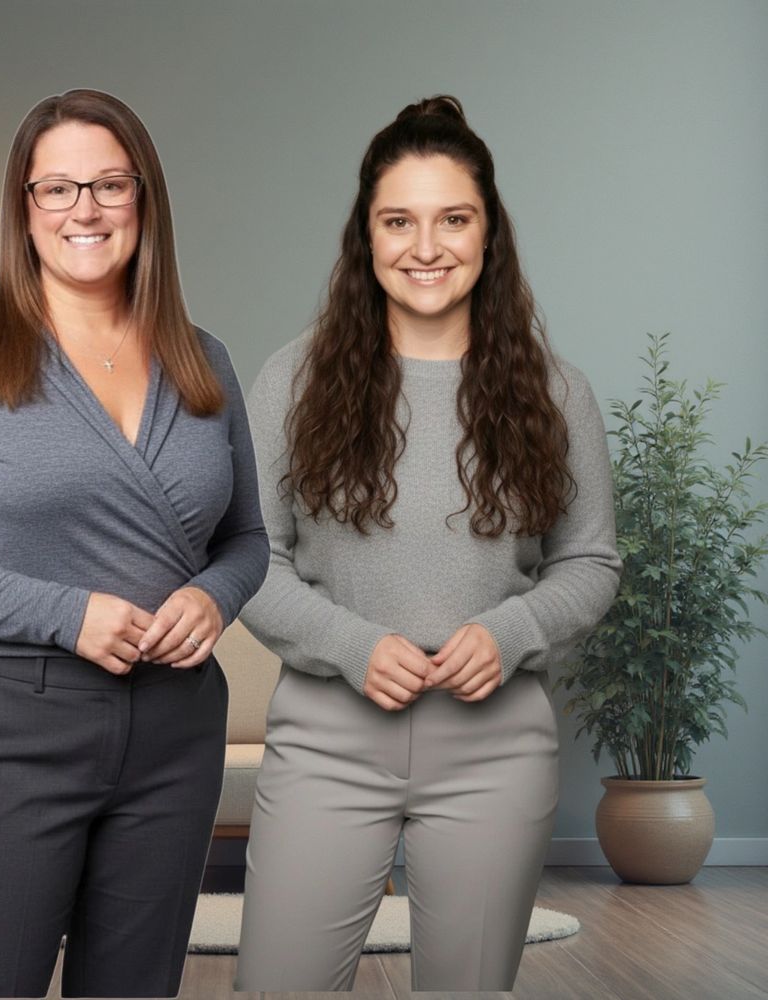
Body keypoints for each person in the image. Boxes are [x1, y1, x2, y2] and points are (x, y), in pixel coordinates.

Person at [0, 89, 268, 999]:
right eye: (56, 189)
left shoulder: (206, 363)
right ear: (25, 209)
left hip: (175, 732)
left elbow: (247, 538)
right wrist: (66, 615)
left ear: (145, 201)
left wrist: (214, 596)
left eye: (108, 185)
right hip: (13, 726)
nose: (83, 210)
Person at [234, 95, 621, 992]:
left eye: (454, 218)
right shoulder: (292, 379)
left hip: (496, 749)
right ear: (364, 237)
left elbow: (590, 563)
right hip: (328, 739)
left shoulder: (558, 394)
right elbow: (252, 552)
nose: (426, 246)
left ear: (491, 234)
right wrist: (352, 645)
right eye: (397, 220)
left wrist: (512, 631)